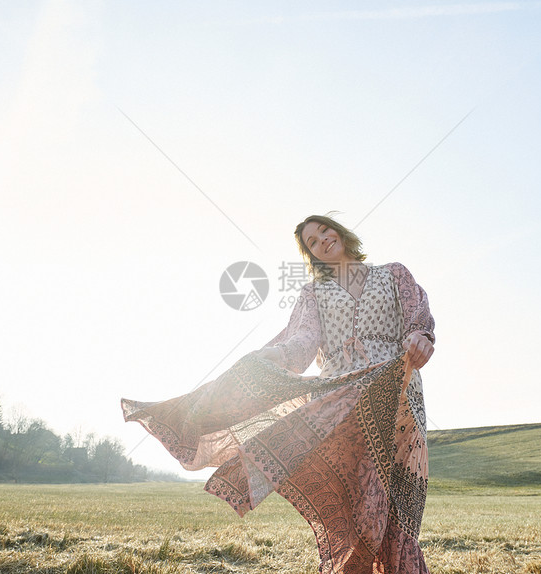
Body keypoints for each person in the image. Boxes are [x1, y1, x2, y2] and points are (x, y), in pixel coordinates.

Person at [122, 214, 436, 574]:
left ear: (339, 232)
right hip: (340, 398)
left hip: (397, 392)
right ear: (311, 256)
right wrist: (270, 355)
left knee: (396, 510)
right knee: (360, 508)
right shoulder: (313, 293)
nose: (322, 240)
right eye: (312, 243)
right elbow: (302, 344)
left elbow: (417, 314)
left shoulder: (393, 273)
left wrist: (420, 337)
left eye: (324, 231)